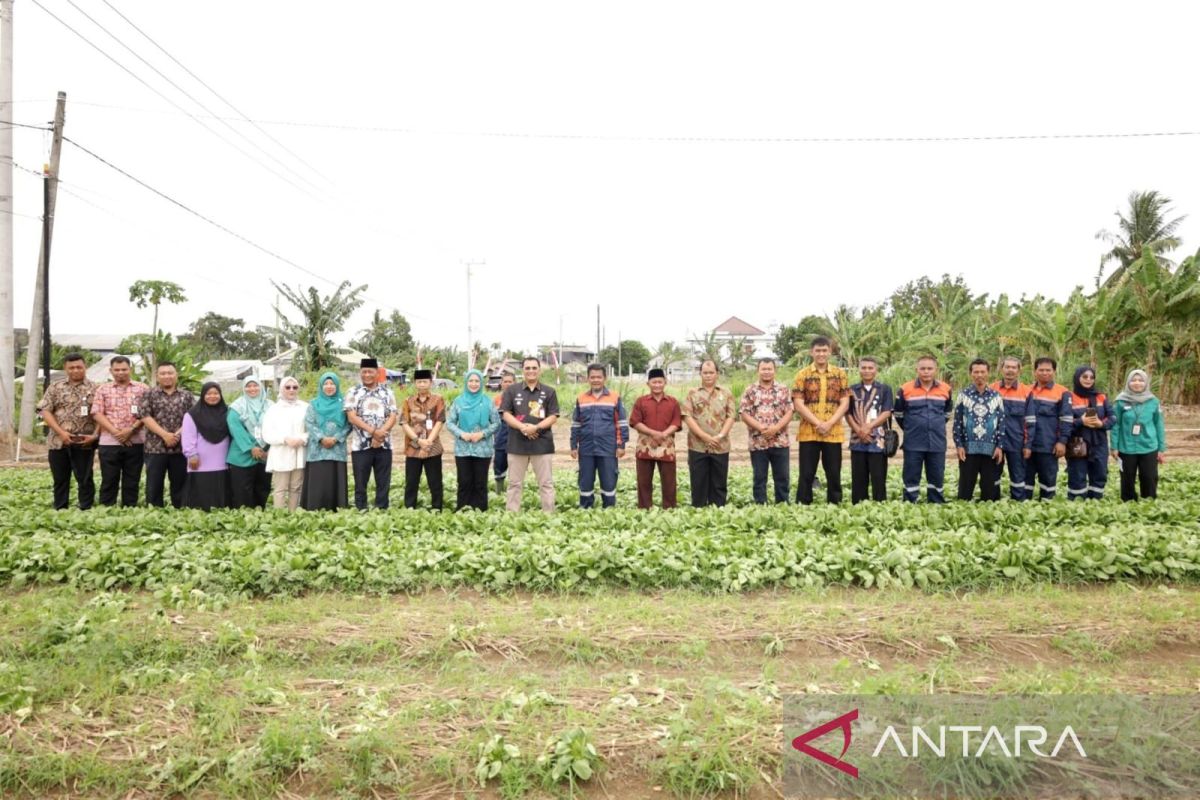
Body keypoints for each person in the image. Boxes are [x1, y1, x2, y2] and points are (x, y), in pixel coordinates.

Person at [37, 352, 99, 510]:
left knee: (85, 478)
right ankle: (60, 508)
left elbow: (101, 414)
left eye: (79, 367)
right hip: (58, 441)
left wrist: (94, 435)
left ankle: (86, 508)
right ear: (65, 369)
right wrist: (61, 433)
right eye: (71, 367)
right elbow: (45, 411)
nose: (75, 370)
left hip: (84, 442)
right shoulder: (55, 386)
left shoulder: (96, 388)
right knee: (60, 479)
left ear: (85, 367)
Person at [792, 337, 850, 505]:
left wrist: (830, 423)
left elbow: (845, 402)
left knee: (833, 472)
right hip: (809, 432)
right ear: (812, 352)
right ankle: (803, 504)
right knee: (807, 473)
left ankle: (835, 504)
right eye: (818, 351)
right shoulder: (802, 375)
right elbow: (798, 403)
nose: (821, 354)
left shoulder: (840, 374)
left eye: (824, 350)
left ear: (830, 352)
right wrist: (818, 423)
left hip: (833, 432)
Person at [499, 357, 560, 512]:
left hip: (542, 444)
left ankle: (549, 515)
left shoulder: (549, 392)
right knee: (514, 483)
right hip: (517, 444)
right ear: (522, 370)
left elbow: (553, 416)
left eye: (534, 368)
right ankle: (512, 515)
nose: (531, 371)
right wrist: (523, 428)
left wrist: (536, 428)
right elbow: (505, 414)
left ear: (539, 370)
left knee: (546, 483)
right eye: (527, 368)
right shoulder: (512, 391)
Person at [90, 355, 148, 507]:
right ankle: (107, 509)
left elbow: (148, 413)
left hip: (136, 442)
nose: (120, 372)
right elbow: (96, 413)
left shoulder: (142, 388)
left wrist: (131, 430)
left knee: (132, 480)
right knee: (109, 479)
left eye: (124, 369)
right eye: (117, 370)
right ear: (111, 371)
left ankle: (130, 508)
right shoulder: (103, 389)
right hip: (109, 443)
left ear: (131, 369)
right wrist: (117, 433)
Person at [894, 355, 952, 503]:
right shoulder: (905, 389)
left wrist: (934, 425)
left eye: (930, 368)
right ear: (917, 370)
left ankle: (936, 501)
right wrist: (911, 427)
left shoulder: (946, 389)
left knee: (937, 474)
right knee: (911, 474)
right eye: (923, 368)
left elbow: (947, 413)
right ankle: (910, 501)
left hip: (937, 441)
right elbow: (899, 414)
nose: (926, 371)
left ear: (935, 370)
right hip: (913, 441)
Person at [569, 364, 628, 509]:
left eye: (599, 377)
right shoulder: (581, 398)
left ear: (605, 378)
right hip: (586, 447)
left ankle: (608, 509)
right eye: (592, 377)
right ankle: (585, 508)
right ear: (588, 379)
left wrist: (621, 445)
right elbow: (576, 424)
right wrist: (573, 445)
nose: (596, 380)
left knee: (609, 480)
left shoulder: (614, 398)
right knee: (585, 480)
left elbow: (621, 423)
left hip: (608, 447)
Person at [136, 362, 195, 509]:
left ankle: (181, 510)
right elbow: (144, 416)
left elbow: (193, 417)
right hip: (155, 448)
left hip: (180, 448)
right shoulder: (148, 394)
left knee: (180, 483)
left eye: (170, 373)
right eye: (163, 373)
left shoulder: (186, 396)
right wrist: (165, 435)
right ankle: (154, 511)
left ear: (176, 375)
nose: (167, 376)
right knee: (154, 484)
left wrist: (177, 435)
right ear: (157, 376)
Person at [344, 358, 399, 511]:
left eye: (370, 372)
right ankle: (361, 509)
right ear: (360, 373)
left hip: (384, 444)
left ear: (377, 373)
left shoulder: (388, 392)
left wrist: (380, 436)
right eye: (364, 372)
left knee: (383, 481)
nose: (367, 375)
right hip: (361, 445)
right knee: (361, 481)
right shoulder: (353, 392)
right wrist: (375, 432)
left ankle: (381, 509)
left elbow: (393, 416)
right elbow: (352, 417)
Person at [681, 359, 736, 507]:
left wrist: (720, 436)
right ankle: (698, 509)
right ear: (700, 374)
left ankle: (718, 509)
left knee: (719, 481)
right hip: (697, 445)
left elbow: (731, 416)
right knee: (698, 481)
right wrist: (704, 436)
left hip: (720, 445)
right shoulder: (692, 393)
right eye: (705, 372)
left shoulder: (726, 393)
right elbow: (687, 416)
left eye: (711, 372)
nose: (708, 376)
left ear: (717, 374)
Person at [739, 358, 793, 504]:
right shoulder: (750, 390)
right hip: (758, 442)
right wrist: (760, 428)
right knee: (759, 478)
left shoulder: (783, 389)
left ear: (775, 370)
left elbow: (789, 412)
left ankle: (782, 505)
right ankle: (760, 506)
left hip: (780, 441)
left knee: (782, 478)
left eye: (770, 369)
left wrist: (776, 428)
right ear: (758, 370)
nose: (767, 372)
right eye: (764, 369)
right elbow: (744, 413)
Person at [446, 368, 501, 511]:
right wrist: (461, 434)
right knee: (464, 482)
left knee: (480, 483)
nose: (474, 384)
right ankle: (462, 511)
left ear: (481, 383)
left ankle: (481, 512)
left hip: (483, 449)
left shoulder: (488, 402)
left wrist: (482, 434)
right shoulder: (458, 401)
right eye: (471, 381)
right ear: (466, 382)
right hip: (463, 449)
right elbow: (450, 422)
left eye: (477, 381)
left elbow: (497, 423)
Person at [953, 359, 1005, 502]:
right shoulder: (963, 395)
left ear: (988, 373)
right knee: (965, 488)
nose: (979, 375)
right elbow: (957, 422)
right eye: (976, 372)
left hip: (991, 450)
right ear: (971, 374)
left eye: (982, 372)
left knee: (989, 490)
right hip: (968, 450)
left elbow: (1001, 424)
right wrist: (959, 445)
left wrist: (1000, 446)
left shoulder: (996, 396)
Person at [1022, 357, 1073, 501]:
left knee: (1048, 481)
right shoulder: (1027, 390)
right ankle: (1024, 508)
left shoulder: (1062, 392)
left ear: (1054, 372)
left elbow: (1067, 419)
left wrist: (1062, 441)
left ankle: (1046, 508)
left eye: (1048, 370)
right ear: (1035, 372)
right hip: (1027, 445)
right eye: (1041, 370)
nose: (1045, 373)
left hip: (1049, 445)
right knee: (1025, 481)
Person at [630, 368, 681, 509]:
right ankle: (645, 508)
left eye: (660, 382)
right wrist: (653, 433)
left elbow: (676, 423)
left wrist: (663, 434)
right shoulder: (641, 402)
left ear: (665, 382)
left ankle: (669, 508)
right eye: (654, 382)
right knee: (644, 480)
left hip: (667, 447)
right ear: (648, 384)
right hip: (645, 446)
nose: (657, 385)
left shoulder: (673, 402)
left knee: (669, 480)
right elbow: (635, 422)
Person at [1111, 369, 1166, 501]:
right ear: (1128, 382)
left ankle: (1148, 501)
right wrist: (1114, 446)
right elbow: (1115, 425)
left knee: (1149, 476)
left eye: (1140, 380)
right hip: (1126, 447)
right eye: (1133, 380)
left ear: (1146, 383)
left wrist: (1161, 448)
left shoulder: (1153, 401)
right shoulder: (1120, 401)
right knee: (1127, 477)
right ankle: (1128, 501)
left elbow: (1159, 425)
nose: (1137, 383)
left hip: (1149, 446)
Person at [846, 356, 893, 503]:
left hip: (877, 442)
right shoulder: (851, 390)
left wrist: (868, 428)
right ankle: (859, 507)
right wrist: (859, 430)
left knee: (879, 478)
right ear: (859, 370)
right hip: (857, 440)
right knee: (858, 479)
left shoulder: (885, 389)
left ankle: (879, 506)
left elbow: (886, 412)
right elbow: (847, 413)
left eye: (870, 368)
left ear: (876, 370)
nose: (867, 371)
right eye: (863, 368)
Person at [301, 371, 350, 510]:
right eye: (326, 384)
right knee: (319, 479)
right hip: (317, 450)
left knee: (335, 478)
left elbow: (349, 424)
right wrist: (321, 438)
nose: (329, 386)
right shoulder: (313, 404)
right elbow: (309, 423)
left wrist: (336, 438)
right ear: (321, 386)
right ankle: (314, 507)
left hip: (337, 449)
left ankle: (337, 508)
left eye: (332, 383)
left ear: (337, 385)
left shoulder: (345, 404)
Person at [400, 368, 446, 510]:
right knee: (411, 482)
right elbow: (404, 423)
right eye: (419, 382)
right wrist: (418, 441)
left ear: (430, 383)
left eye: (425, 382)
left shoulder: (438, 400)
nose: (422, 385)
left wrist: (428, 443)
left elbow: (440, 421)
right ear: (415, 383)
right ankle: (409, 509)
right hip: (413, 448)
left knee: (435, 482)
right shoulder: (408, 401)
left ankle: (437, 509)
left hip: (433, 447)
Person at [181, 382, 231, 510]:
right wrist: (191, 454)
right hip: (200, 462)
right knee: (201, 497)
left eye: (216, 393)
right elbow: (188, 436)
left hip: (223, 461)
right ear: (203, 395)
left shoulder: (227, 411)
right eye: (209, 394)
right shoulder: (192, 414)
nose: (212, 396)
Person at [1067, 366, 1115, 501]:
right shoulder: (1069, 397)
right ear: (1077, 378)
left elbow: (1113, 417)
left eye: (1091, 377)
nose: (1088, 380)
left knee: (1099, 473)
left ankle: (1095, 501)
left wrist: (1101, 424)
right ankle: (1076, 503)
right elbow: (1063, 422)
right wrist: (1080, 421)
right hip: (1077, 442)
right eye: (1084, 377)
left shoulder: (1101, 397)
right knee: (1077, 474)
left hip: (1098, 442)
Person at [226, 375, 272, 509]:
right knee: (242, 488)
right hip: (242, 454)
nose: (252, 389)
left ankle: (259, 513)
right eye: (248, 386)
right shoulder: (237, 406)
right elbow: (235, 427)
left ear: (261, 386)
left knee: (262, 486)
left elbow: (276, 426)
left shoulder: (270, 405)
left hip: (265, 453)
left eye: (255, 385)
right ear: (244, 388)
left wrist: (267, 448)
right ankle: (244, 518)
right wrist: (251, 448)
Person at [262, 376, 308, 510]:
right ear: (282, 389)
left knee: (296, 487)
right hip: (281, 452)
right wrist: (285, 439)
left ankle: (292, 516)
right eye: (287, 387)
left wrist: (303, 438)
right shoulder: (273, 409)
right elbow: (267, 433)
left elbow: (312, 428)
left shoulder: (305, 407)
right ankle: (280, 519)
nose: (291, 390)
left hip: (299, 451)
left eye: (295, 387)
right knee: (280, 488)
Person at [990, 356, 1032, 501]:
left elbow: (1030, 421)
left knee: (1018, 474)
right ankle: (992, 501)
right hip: (994, 442)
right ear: (1002, 369)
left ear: (1019, 370)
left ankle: (1018, 502)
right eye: (1007, 367)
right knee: (993, 474)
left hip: (1017, 441)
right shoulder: (991, 389)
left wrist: (1028, 444)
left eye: (1014, 367)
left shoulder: (1026, 391)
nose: (1010, 370)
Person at [492, 372, 515, 495]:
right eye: (505, 381)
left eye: (509, 381)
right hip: (500, 438)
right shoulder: (496, 400)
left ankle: (513, 494)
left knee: (515, 467)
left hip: (516, 438)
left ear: (514, 383)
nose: (507, 384)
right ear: (501, 384)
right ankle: (499, 492)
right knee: (499, 464)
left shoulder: (519, 398)